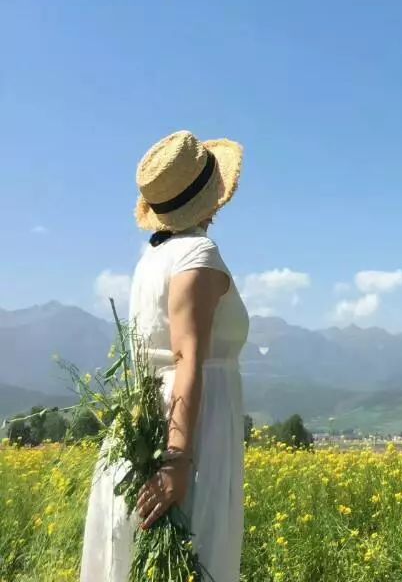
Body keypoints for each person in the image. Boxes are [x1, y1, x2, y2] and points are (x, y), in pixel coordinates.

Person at [81, 131, 249, 582]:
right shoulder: (199, 254)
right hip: (196, 422)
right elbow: (187, 357)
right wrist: (177, 460)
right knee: (199, 550)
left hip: (153, 414)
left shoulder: (151, 261)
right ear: (211, 197)